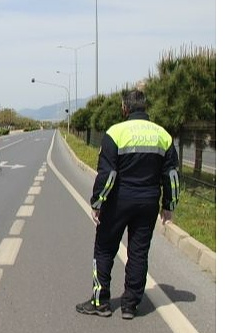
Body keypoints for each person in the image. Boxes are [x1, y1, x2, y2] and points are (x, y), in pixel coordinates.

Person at [76, 88, 180, 320]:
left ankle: (100, 301)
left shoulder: (116, 133)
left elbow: (108, 174)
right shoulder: (162, 135)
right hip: (148, 203)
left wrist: (97, 201)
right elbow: (171, 174)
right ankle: (131, 305)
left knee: (104, 249)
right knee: (138, 252)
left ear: (125, 108)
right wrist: (169, 205)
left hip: (118, 202)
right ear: (145, 107)